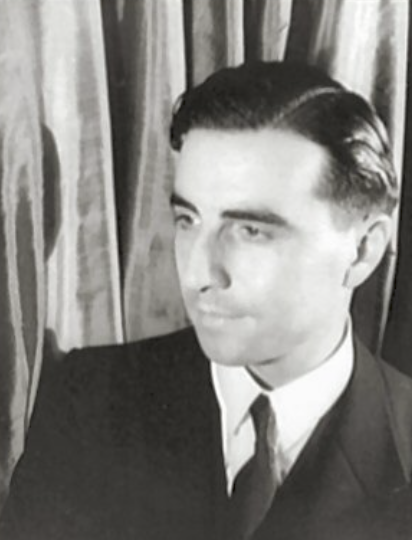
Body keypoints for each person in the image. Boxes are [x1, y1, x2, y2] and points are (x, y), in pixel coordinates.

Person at [1, 61, 412, 540]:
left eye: (251, 231)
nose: (199, 274)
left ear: (363, 250)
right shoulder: (87, 402)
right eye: (188, 220)